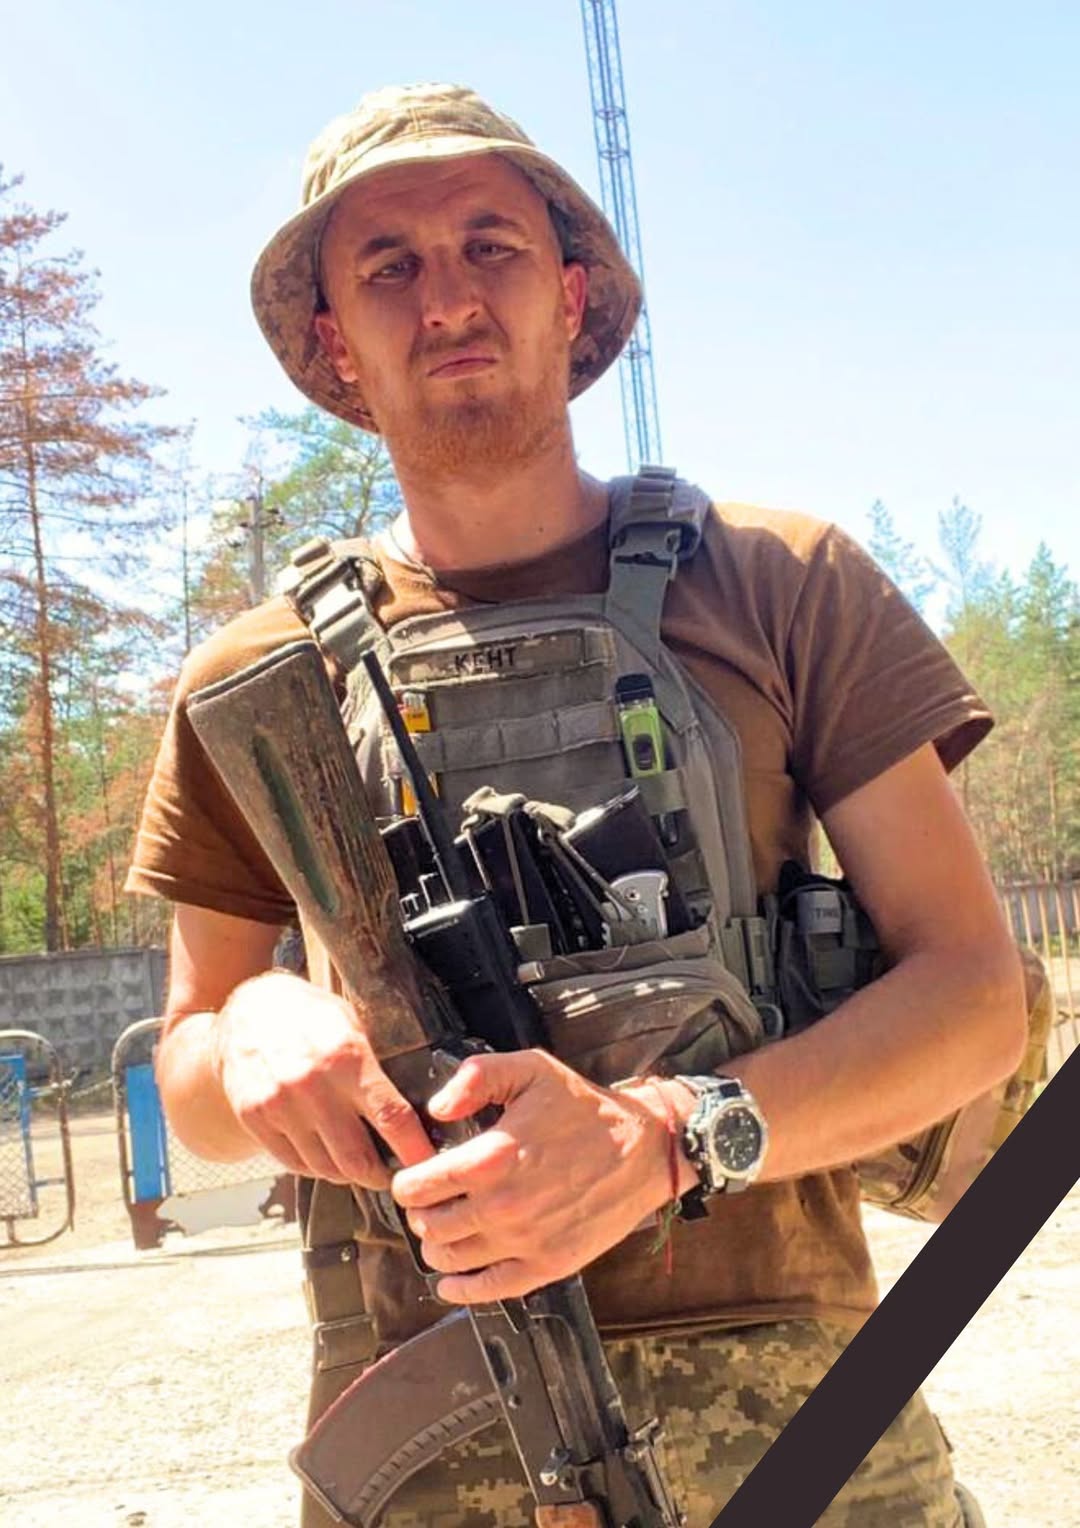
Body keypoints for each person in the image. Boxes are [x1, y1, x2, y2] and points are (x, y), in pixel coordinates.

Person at [126, 83, 1026, 1526]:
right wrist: (249, 1038)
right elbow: (189, 1063)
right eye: (390, 267)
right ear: (333, 340)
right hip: (436, 1438)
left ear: (574, 292)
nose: (448, 299)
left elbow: (977, 996)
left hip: (803, 1423)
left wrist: (668, 1133)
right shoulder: (258, 683)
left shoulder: (783, 585)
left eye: (491, 246)